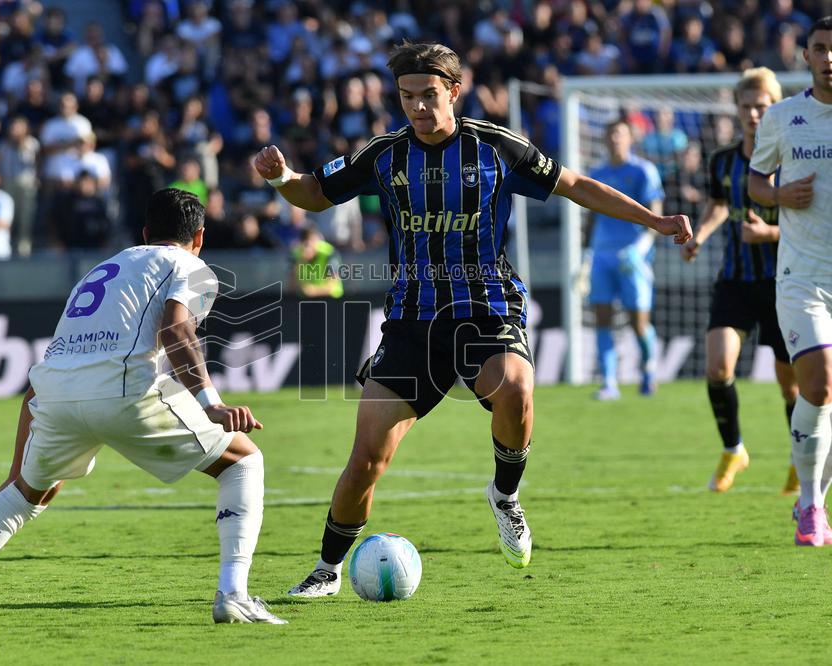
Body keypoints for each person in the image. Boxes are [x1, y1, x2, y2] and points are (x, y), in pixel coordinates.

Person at [253, 42, 691, 596]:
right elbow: (314, 194)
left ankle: (505, 496)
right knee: (367, 458)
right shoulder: (383, 155)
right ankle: (328, 569)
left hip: (487, 308)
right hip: (413, 321)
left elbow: (575, 186)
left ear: (454, 92)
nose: (416, 107)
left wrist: (652, 219)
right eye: (406, 96)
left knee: (515, 389)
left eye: (428, 95)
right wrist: (281, 177)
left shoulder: (496, 147)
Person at [0, 188, 286, 624]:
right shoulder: (190, 266)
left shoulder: (100, 270)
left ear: (144, 233)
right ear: (198, 237)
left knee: (27, 494)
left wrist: (16, 472)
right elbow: (177, 331)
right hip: (123, 389)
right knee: (242, 462)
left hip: (56, 394)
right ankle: (234, 593)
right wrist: (211, 403)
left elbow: (49, 370)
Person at [681, 67, 799, 494]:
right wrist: (701, 236)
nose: (754, 113)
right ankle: (734, 449)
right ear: (737, 107)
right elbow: (716, 206)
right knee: (717, 366)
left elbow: (815, 225)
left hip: (783, 282)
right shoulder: (723, 161)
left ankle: (799, 456)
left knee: (793, 387)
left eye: (762, 106)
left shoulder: (793, 158)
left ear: (775, 108)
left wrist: (769, 233)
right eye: (747, 105)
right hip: (734, 280)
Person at [748, 16, 832, 547]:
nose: (830, 58)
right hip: (803, 278)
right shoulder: (783, 117)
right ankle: (808, 504)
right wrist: (778, 197)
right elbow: (757, 181)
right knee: (819, 384)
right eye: (821, 49)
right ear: (805, 55)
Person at [585, 119, 665, 400]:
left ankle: (649, 369)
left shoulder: (643, 171)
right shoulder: (598, 173)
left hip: (633, 256)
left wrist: (641, 248)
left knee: (638, 323)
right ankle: (608, 382)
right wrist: (585, 255)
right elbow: (592, 217)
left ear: (630, 138)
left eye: (619, 134)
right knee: (602, 318)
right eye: (609, 135)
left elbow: (656, 213)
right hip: (602, 255)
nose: (614, 139)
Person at [290, 227, 343, 299]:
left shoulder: (329, 253)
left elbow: (332, 286)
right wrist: (301, 261)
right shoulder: (297, 255)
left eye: (310, 243)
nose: (307, 248)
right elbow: (291, 285)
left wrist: (313, 291)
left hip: (331, 300)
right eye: (305, 244)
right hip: (306, 300)